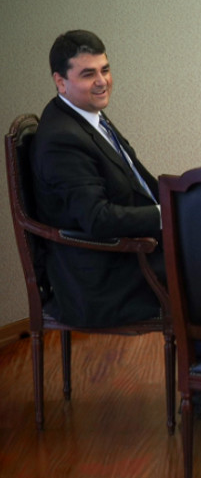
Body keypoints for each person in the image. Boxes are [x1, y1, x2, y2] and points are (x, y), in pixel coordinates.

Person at [31, 30, 162, 328]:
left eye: (105, 69)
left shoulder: (87, 113)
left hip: (133, 254)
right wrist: (165, 215)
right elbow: (97, 219)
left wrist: (185, 201)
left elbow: (138, 182)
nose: (102, 81)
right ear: (60, 81)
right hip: (106, 280)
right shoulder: (61, 139)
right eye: (88, 74)